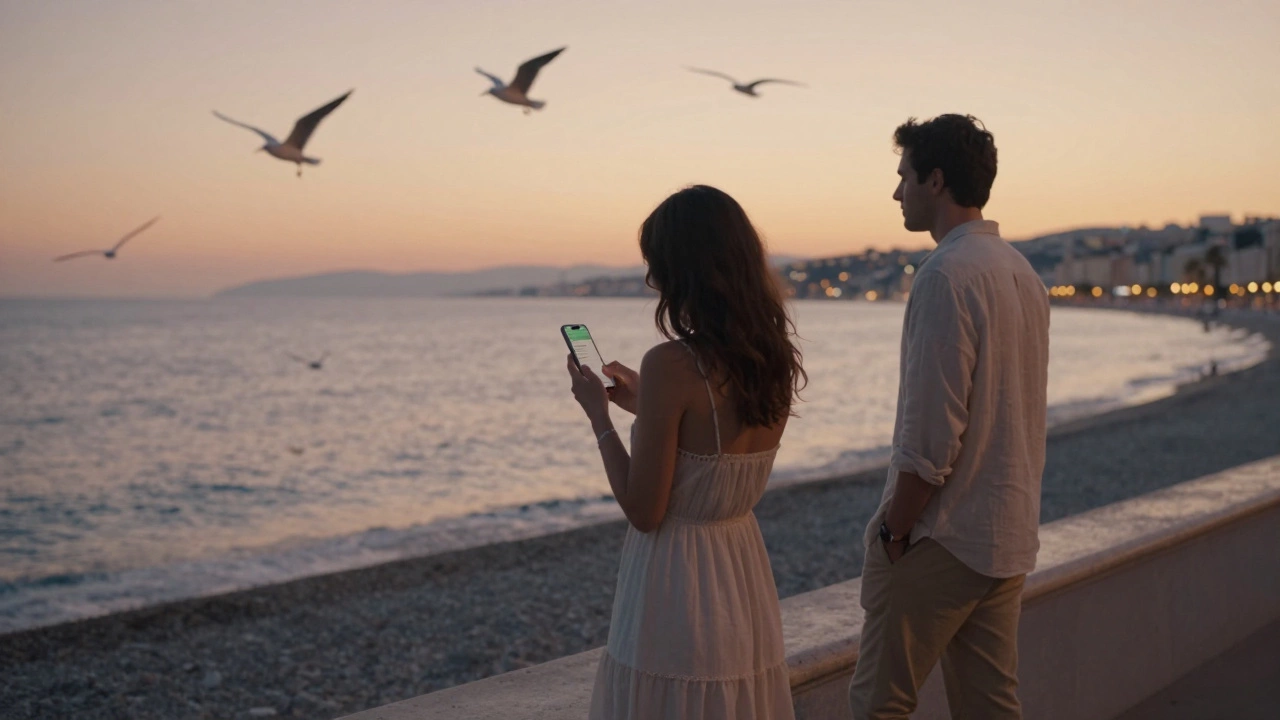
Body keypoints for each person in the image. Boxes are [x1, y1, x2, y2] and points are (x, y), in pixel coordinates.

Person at [566, 185, 806, 720]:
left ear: (685, 270)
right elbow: (709, 445)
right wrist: (644, 408)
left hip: (676, 579)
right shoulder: (772, 358)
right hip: (740, 566)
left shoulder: (672, 363)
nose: (653, 280)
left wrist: (599, 416)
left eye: (658, 265)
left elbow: (645, 512)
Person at [848, 115, 1050, 719]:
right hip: (1006, 533)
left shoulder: (945, 276)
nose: (896, 192)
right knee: (990, 706)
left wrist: (894, 531)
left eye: (904, 176)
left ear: (935, 181)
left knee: (877, 705)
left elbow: (931, 438)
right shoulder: (1024, 274)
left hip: (943, 535)